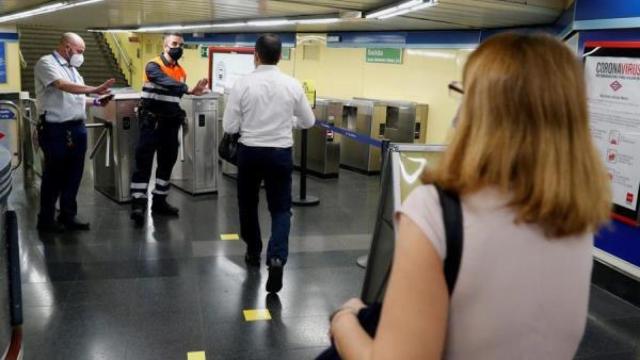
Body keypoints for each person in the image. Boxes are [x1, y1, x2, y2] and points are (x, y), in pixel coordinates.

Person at [329, 33, 612, 359]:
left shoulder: (437, 210)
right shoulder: (578, 216)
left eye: (465, 92)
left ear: (482, 111)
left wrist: (344, 319)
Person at [223, 34, 315, 293]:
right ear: (280, 56)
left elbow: (229, 126)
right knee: (281, 208)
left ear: (256, 54)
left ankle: (253, 251)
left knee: (248, 203)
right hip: (280, 153)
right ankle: (276, 258)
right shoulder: (292, 84)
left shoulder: (242, 84)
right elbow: (308, 121)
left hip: (249, 152)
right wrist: (289, 122)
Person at [34, 32, 115, 233]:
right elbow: (62, 86)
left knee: (74, 174)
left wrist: (96, 101)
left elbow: (76, 98)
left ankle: (68, 215)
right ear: (67, 47)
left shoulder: (74, 71)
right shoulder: (46, 63)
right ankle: (46, 219)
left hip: (77, 128)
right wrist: (94, 89)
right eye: (80, 51)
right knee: (54, 174)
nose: (81, 55)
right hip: (54, 129)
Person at [129, 32, 209, 226]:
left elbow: (173, 99)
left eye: (181, 44)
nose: (178, 47)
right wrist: (188, 89)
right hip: (151, 123)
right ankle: (138, 204)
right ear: (165, 46)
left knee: (167, 163)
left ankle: (159, 201)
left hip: (169, 125)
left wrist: (181, 109)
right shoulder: (153, 65)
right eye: (174, 43)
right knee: (144, 163)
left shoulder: (181, 72)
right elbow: (164, 81)